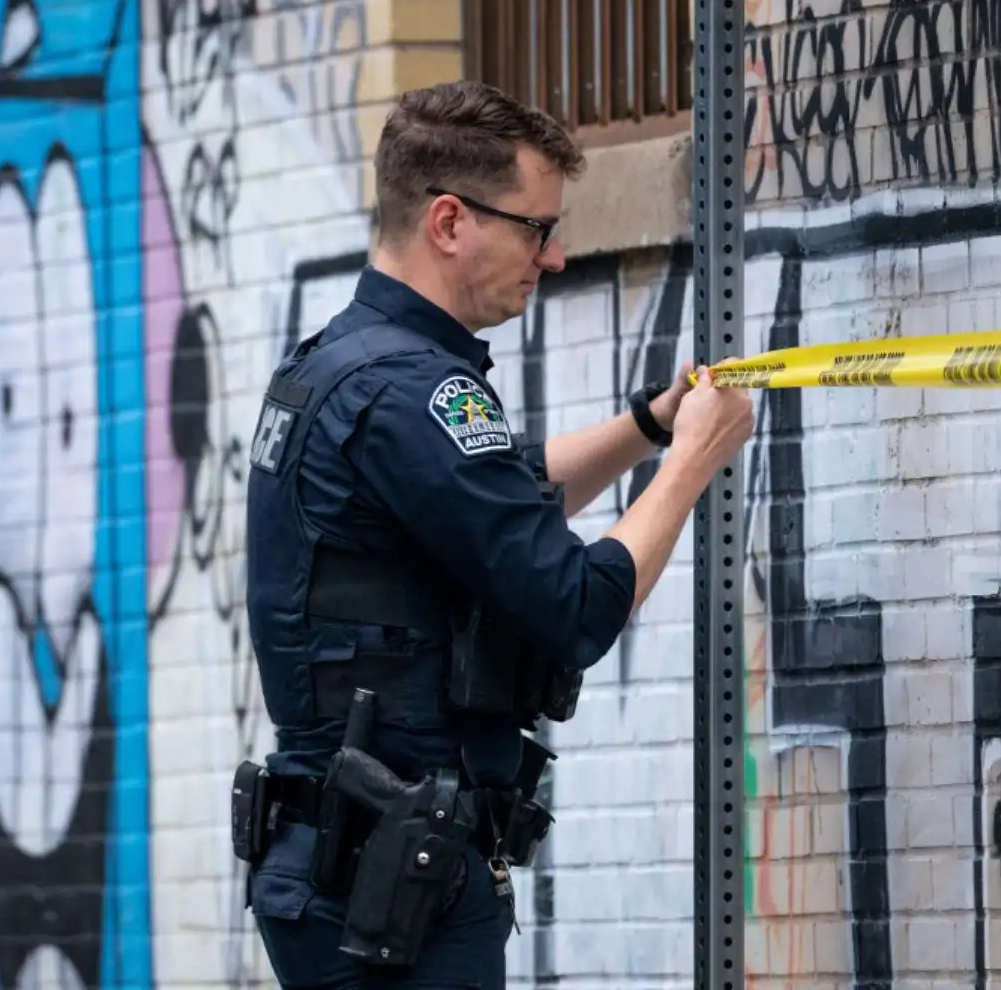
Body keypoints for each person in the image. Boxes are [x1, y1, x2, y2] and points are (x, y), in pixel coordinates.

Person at [233, 81, 756, 989]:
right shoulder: (416, 391)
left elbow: (496, 497)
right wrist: (692, 465)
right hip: (393, 890)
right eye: (536, 229)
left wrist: (654, 423)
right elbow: (575, 607)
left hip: (341, 866)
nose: (551, 259)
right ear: (449, 222)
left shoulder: (336, 366)